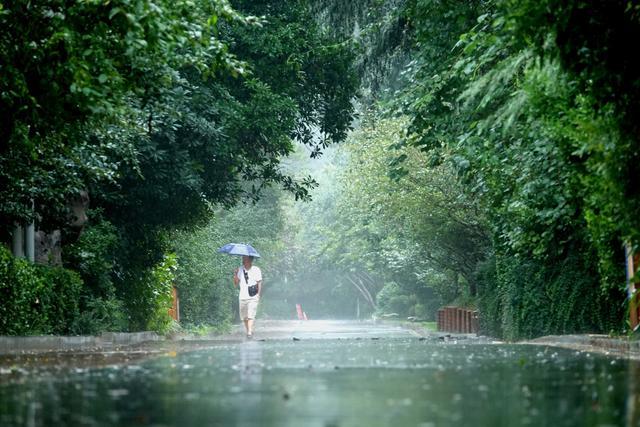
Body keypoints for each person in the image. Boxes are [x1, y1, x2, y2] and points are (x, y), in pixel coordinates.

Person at [233, 255, 262, 339]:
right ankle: (249, 330)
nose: (243, 259)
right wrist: (235, 274)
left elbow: (259, 283)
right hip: (242, 296)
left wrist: (258, 294)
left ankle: (249, 332)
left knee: (251, 315)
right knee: (244, 317)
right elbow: (235, 283)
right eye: (243, 258)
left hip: (253, 296)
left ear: (250, 260)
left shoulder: (256, 269)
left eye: (244, 258)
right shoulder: (240, 269)